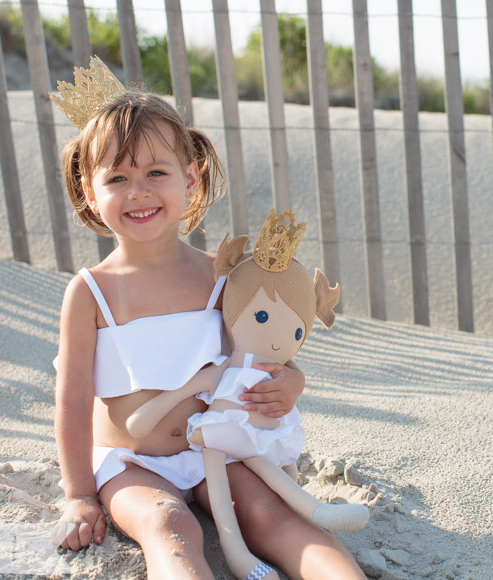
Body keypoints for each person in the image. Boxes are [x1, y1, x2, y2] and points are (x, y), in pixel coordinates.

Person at [50, 58, 367, 580]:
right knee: (170, 525)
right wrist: (80, 495)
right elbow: (73, 399)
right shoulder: (90, 292)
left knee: (271, 516)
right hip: (133, 463)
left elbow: (262, 354)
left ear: (191, 179)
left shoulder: (222, 279)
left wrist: (292, 381)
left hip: (218, 445)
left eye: (157, 172)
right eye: (118, 178)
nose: (139, 191)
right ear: (89, 190)